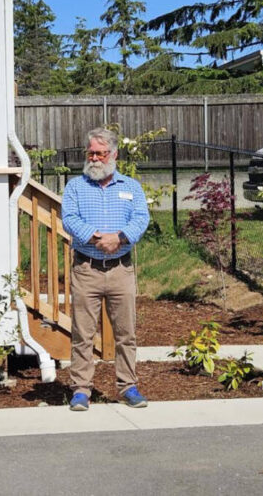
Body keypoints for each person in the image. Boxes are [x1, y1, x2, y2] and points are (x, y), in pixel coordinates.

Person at [61, 127, 150, 411]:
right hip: (86, 269)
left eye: (100, 153)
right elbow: (69, 219)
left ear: (113, 154)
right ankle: (81, 390)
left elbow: (141, 219)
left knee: (127, 333)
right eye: (91, 153)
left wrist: (120, 238)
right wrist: (100, 238)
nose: (95, 159)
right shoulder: (75, 186)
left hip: (121, 270)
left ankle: (128, 387)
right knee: (82, 334)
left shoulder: (131, 187)